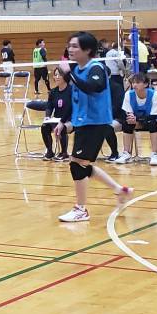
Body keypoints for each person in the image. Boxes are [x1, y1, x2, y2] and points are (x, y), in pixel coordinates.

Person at [55, 32, 133, 223]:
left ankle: (81, 210)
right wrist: (62, 121)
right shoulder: (78, 69)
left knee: (77, 165)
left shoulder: (96, 67)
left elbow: (93, 87)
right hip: (83, 122)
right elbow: (75, 98)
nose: (70, 49)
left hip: (95, 123)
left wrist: (69, 74)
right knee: (82, 164)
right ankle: (119, 190)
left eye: (75, 46)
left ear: (87, 50)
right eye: (69, 45)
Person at [120, 72, 157, 167]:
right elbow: (128, 112)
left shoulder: (155, 94)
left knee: (152, 123)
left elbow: (153, 116)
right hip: (138, 121)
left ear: (146, 84)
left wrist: (137, 119)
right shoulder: (128, 94)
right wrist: (131, 118)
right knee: (127, 123)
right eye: (133, 82)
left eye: (138, 82)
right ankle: (126, 153)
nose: (134, 85)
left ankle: (154, 154)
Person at [39, 68, 72, 161]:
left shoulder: (71, 90)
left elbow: (72, 108)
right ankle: (50, 151)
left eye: (59, 75)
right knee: (44, 127)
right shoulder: (53, 92)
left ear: (65, 77)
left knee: (62, 128)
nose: (57, 77)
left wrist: (63, 121)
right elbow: (49, 106)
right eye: (55, 75)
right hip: (56, 120)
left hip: (70, 120)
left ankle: (64, 152)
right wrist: (47, 116)